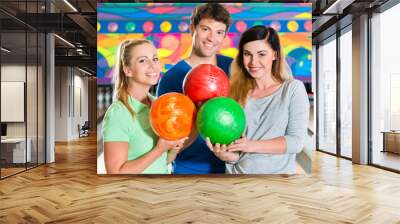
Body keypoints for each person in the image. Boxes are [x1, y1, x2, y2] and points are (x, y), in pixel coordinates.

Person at [206, 25, 309, 174]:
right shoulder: (235, 92)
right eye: (247, 54)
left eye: (261, 54)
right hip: (237, 182)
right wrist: (225, 155)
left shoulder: (292, 89)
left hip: (277, 183)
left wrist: (250, 145)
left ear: (274, 54)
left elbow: (296, 142)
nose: (253, 62)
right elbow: (238, 155)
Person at [156, 3, 233, 174]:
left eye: (219, 32)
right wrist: (200, 116)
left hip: (232, 167)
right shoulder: (171, 78)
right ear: (193, 28)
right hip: (189, 169)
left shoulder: (233, 69)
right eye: (206, 29)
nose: (212, 38)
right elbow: (168, 145)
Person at [102, 39, 188, 174]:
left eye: (154, 59)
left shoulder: (159, 105)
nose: (153, 65)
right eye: (142, 60)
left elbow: (163, 161)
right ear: (128, 70)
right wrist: (159, 149)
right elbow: (115, 173)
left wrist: (173, 148)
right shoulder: (118, 113)